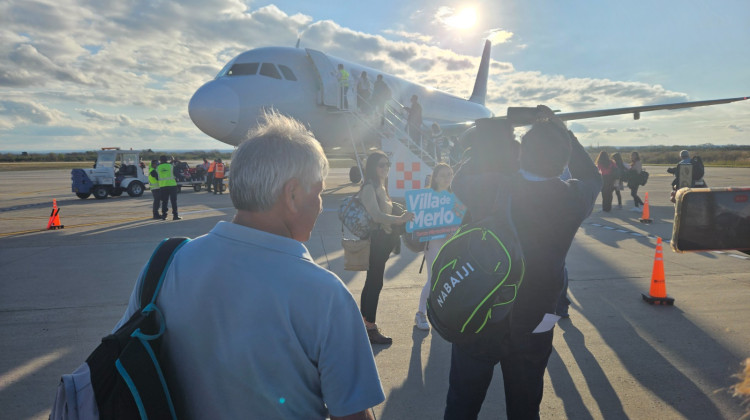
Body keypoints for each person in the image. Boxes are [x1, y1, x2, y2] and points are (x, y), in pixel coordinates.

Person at [114, 111, 384, 419]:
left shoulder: (165, 264)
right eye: (318, 192)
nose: (320, 204)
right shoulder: (325, 294)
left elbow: (119, 363)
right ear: (293, 194)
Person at [445, 106, 601, 420]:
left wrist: (498, 135)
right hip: (537, 318)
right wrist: (561, 129)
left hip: (481, 312)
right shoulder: (572, 198)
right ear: (564, 158)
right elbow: (592, 176)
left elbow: (459, 179)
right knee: (525, 406)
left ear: (521, 154)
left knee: (462, 404)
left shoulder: (494, 187)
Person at [359, 151, 414, 344]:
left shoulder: (382, 185)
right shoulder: (369, 187)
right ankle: (370, 328)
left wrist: (402, 212)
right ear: (373, 167)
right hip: (376, 241)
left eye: (388, 164)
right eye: (381, 165)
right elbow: (375, 215)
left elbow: (387, 208)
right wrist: (400, 219)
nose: (385, 168)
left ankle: (363, 323)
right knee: (375, 283)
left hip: (384, 240)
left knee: (371, 281)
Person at [415, 163, 454, 331]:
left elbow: (459, 220)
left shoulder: (455, 196)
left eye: (450, 174)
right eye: (444, 175)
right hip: (433, 243)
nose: (447, 178)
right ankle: (420, 314)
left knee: (448, 278)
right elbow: (420, 222)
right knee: (433, 279)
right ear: (435, 177)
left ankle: (442, 313)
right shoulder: (426, 197)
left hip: (451, 243)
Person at [157, 155, 181, 220]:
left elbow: (156, 177)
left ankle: (164, 215)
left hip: (163, 186)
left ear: (160, 160)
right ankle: (175, 216)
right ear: (166, 160)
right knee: (173, 201)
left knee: (164, 201)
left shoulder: (158, 167)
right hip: (172, 185)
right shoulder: (171, 166)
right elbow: (177, 174)